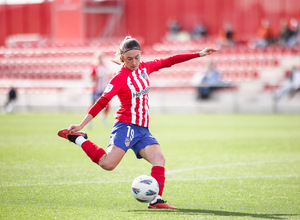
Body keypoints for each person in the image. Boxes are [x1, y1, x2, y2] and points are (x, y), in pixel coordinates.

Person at [58, 36, 217, 209]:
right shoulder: (119, 78)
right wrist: (81, 124)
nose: (134, 62)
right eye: (129, 59)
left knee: (159, 158)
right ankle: (79, 138)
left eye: (137, 58)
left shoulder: (145, 68)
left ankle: (156, 200)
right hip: (125, 126)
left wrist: (199, 54)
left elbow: (170, 61)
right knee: (107, 164)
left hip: (142, 129)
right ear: (122, 59)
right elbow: (103, 101)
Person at [90, 51, 110, 126]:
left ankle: (103, 117)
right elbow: (92, 78)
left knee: (107, 105)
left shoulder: (105, 67)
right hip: (96, 89)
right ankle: (89, 121)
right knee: (92, 105)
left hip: (104, 89)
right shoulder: (94, 67)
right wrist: (97, 76)